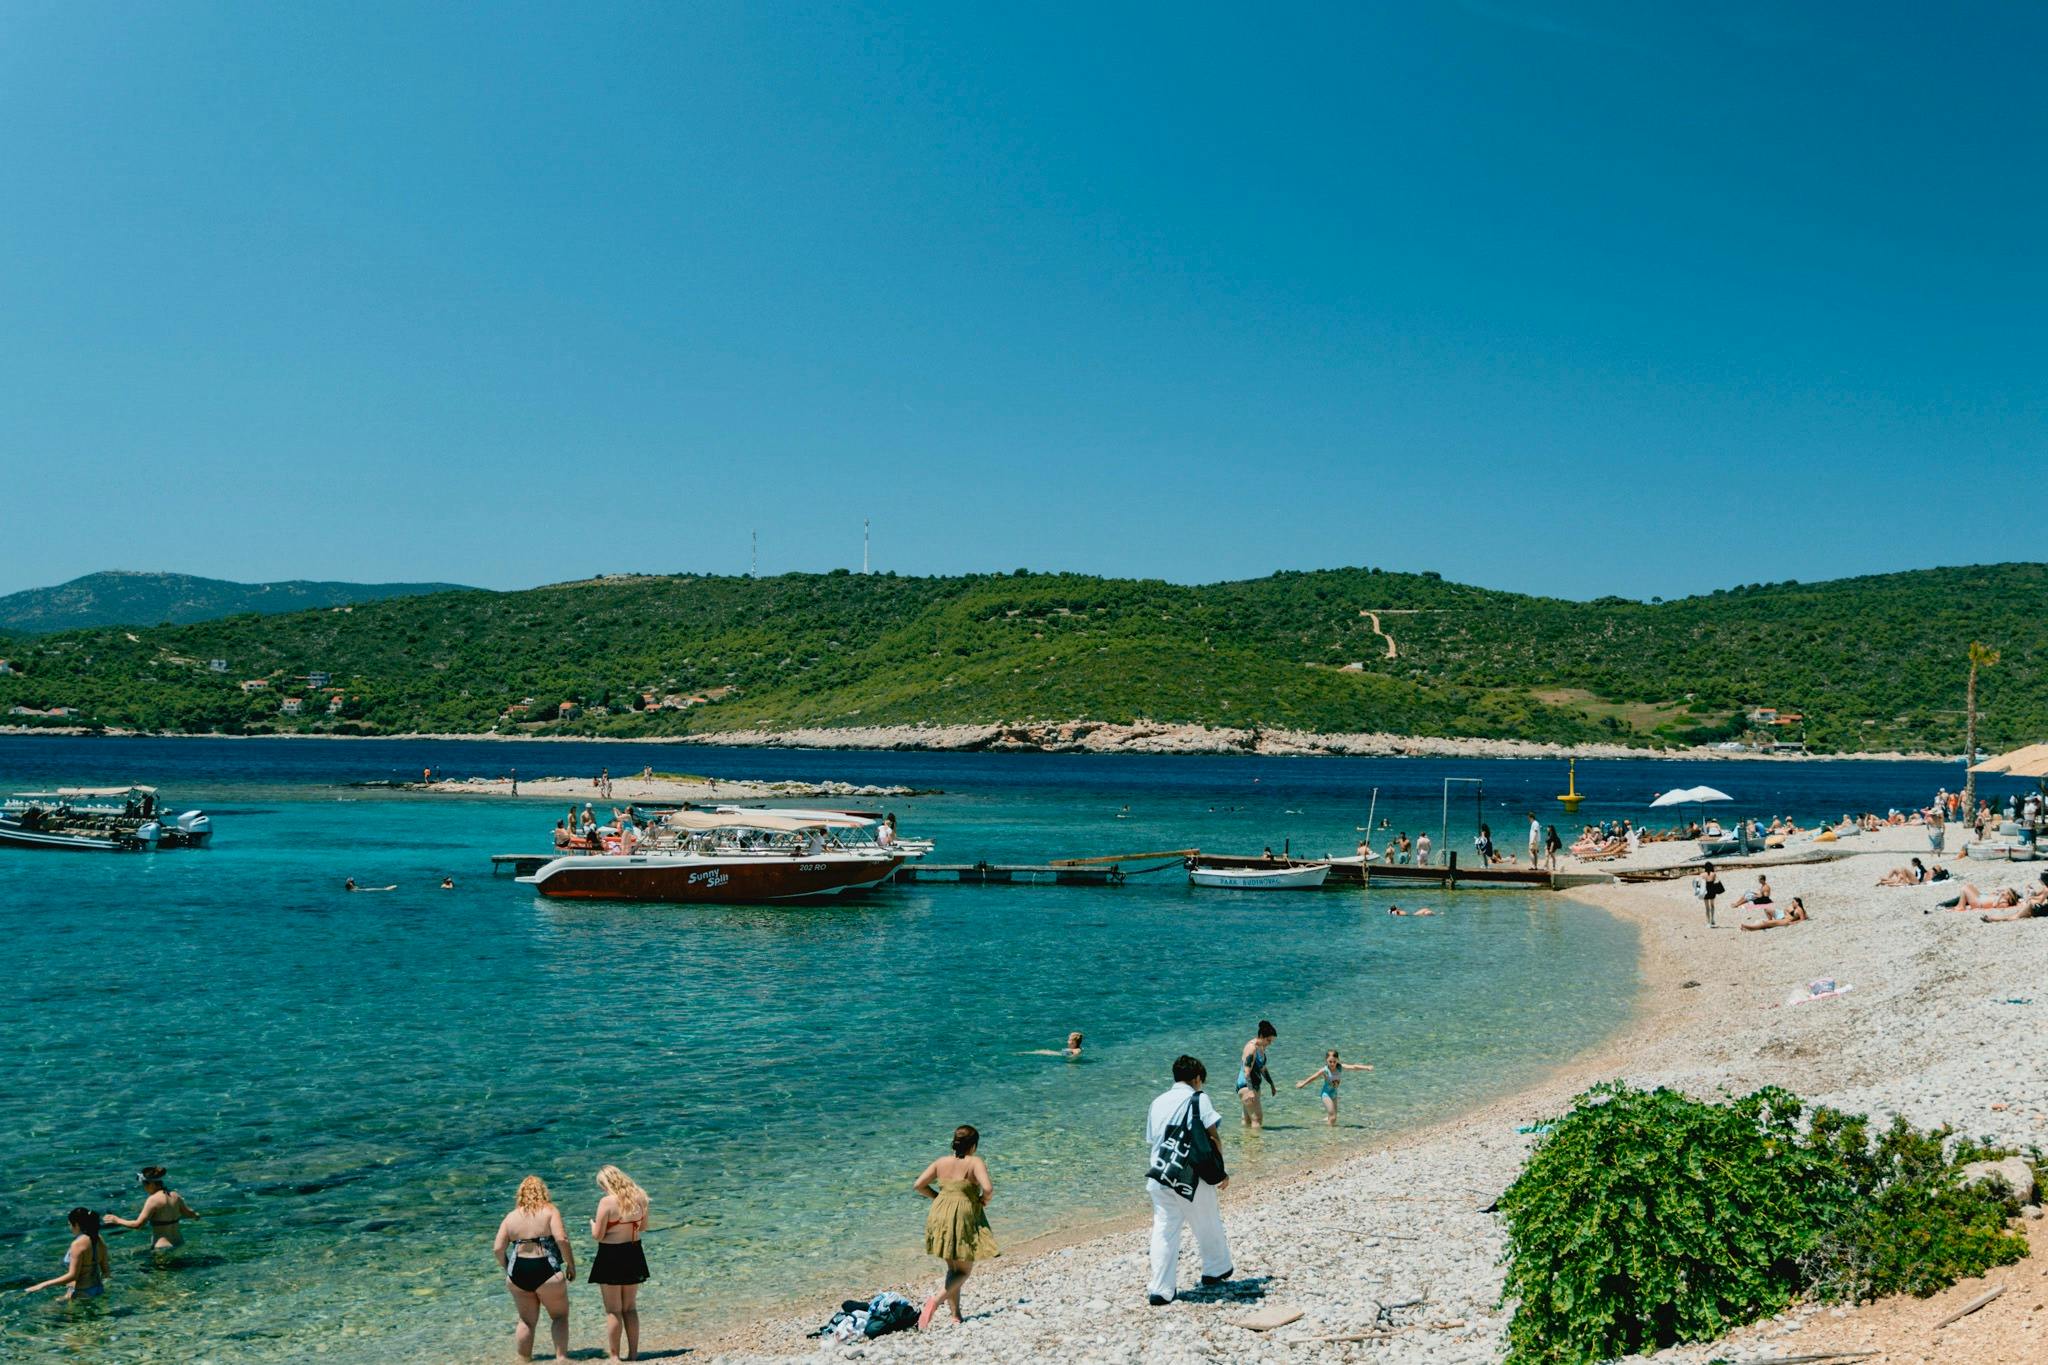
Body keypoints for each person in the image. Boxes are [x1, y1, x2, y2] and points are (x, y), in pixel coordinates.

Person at [1144, 1055, 1232, 1306]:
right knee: (1207, 1221)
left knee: (1164, 1229)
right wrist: (1220, 1171)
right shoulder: (1199, 1098)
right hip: (1191, 1176)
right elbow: (1212, 1137)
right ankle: (1216, 1269)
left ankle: (1161, 1289)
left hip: (1160, 1174)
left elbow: (1153, 1139)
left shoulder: (1157, 1102)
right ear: (1197, 1078)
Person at [913, 1124, 998, 1329]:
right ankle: (934, 1301)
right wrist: (983, 1200)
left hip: (939, 1213)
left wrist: (938, 1197)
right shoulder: (975, 1162)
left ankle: (955, 1315)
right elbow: (988, 1188)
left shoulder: (941, 1162)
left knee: (953, 1268)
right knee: (964, 1271)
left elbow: (918, 1185)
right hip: (962, 1215)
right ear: (974, 1145)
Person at [493, 1175, 574, 1362]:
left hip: (518, 1271)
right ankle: (561, 1359)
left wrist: (508, 1269)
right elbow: (562, 1239)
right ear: (543, 1192)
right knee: (559, 1317)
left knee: (526, 1321)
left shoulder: (511, 1217)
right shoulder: (550, 1211)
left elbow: (497, 1249)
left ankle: (524, 1360)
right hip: (546, 1268)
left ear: (520, 1194)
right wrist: (570, 1264)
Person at [589, 1165, 650, 1361]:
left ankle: (615, 1356)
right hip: (633, 1253)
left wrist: (592, 1225)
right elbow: (643, 1227)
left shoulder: (606, 1202)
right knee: (630, 1308)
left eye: (602, 1186)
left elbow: (598, 1236)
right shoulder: (640, 1196)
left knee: (613, 1310)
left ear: (607, 1184)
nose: (602, 1190)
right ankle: (633, 1355)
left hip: (611, 1255)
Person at [102, 1166, 201, 1250]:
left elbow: (138, 1225)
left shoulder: (153, 1200)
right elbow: (189, 1213)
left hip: (162, 1247)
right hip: (179, 1243)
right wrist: (196, 1215)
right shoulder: (175, 1195)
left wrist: (117, 1220)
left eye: (144, 1185)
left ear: (151, 1184)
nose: (144, 1188)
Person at [26, 1208, 109, 1299]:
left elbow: (72, 1276)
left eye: (70, 1224)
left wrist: (43, 1285)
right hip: (98, 1288)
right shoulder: (98, 1238)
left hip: (81, 1292)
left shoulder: (77, 1245)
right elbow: (105, 1270)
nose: (70, 1228)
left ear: (76, 1225)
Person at [1294, 1049, 1373, 1126]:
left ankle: (1321, 1124)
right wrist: (1303, 1083)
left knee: (1333, 1117)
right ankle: (1329, 1132)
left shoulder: (1340, 1067)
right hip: (1326, 1094)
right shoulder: (1325, 1070)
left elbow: (1354, 1067)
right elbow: (1314, 1077)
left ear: (1337, 1060)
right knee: (1333, 1117)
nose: (1332, 1064)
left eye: (1334, 1061)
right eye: (1330, 1061)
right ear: (1326, 1060)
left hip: (1334, 1094)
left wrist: (1366, 1067)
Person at [1235, 1021, 1278, 1129]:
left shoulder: (1260, 1048)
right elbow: (1246, 1071)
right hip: (1247, 1086)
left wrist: (1271, 1084)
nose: (1270, 1043)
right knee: (1257, 1119)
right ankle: (1256, 1140)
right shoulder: (1252, 1048)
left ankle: (1246, 1139)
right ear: (1262, 1036)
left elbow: (1262, 1069)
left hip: (1251, 1086)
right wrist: (1250, 1090)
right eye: (1268, 1040)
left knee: (1247, 1120)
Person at [1741, 896, 1809, 931]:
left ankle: (1750, 927)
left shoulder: (1799, 909)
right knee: (1768, 923)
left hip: (1787, 921)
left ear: (1797, 903)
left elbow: (1802, 919)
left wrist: (1793, 923)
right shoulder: (1796, 909)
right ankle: (1750, 927)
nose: (1792, 903)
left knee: (1767, 923)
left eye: (1793, 902)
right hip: (1786, 919)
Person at [1699, 862, 1724, 928]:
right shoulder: (1714, 874)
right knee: (1712, 905)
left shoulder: (1702, 874)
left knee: (1707, 907)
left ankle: (1708, 923)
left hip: (1705, 891)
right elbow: (1716, 881)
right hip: (1712, 891)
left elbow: (1700, 883)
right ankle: (1712, 919)